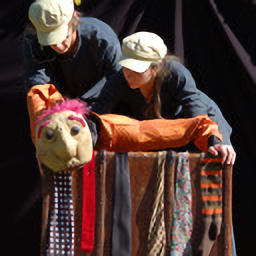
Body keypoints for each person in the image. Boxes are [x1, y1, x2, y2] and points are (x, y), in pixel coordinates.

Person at [92, 31, 236, 164]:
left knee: (217, 155)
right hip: (156, 136)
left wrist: (215, 141)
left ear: (156, 67)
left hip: (196, 125)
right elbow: (98, 114)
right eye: (125, 66)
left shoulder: (176, 73)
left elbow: (197, 112)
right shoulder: (119, 80)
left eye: (135, 68)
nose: (128, 74)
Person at [23, 0, 122, 108]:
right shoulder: (33, 41)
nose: (59, 46)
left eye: (64, 37)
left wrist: (99, 113)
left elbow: (118, 82)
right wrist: (48, 113)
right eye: (50, 42)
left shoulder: (102, 38)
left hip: (100, 101)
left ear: (74, 17)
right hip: (57, 105)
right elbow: (38, 82)